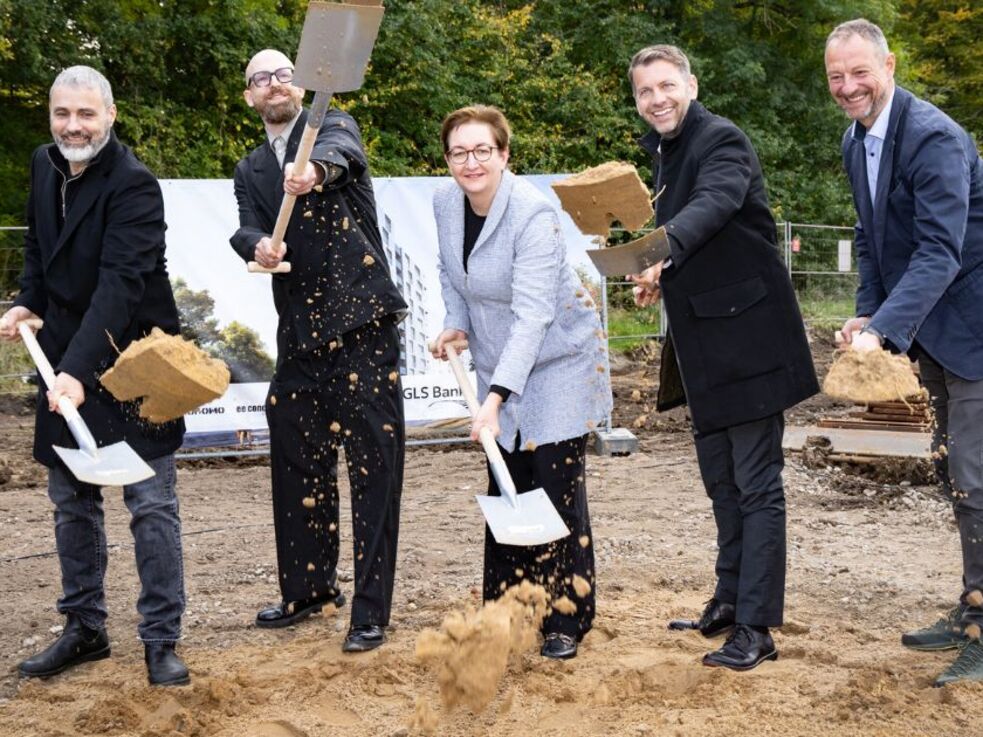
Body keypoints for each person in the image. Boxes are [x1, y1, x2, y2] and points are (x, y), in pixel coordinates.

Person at [626, 46, 819, 670]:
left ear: (691, 83)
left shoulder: (721, 140)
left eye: (666, 85)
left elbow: (715, 202)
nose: (657, 99)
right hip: (705, 345)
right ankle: (730, 601)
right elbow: (695, 235)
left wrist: (665, 247)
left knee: (758, 485)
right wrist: (662, 269)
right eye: (644, 91)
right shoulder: (663, 152)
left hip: (752, 341)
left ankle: (757, 627)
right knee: (721, 482)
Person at [0, 66, 189, 686]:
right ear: (50, 116)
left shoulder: (134, 186)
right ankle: (85, 628)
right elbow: (39, 246)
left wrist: (77, 373)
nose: (72, 126)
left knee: (150, 503)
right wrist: (29, 299)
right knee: (70, 502)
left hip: (133, 361)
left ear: (109, 115)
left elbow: (118, 289)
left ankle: (161, 639)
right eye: (62, 114)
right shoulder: (44, 163)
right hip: (62, 350)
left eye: (85, 114)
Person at [230, 49, 407, 653]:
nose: (274, 84)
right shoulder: (250, 167)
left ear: (301, 84)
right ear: (250, 96)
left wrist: (315, 173)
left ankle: (370, 609)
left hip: (361, 324)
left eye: (283, 74)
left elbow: (342, 158)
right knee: (296, 458)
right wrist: (257, 246)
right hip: (299, 336)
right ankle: (309, 589)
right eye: (261, 79)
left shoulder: (329, 127)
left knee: (373, 468)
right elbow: (245, 224)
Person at [825, 19, 983, 686]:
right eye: (834, 76)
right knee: (958, 475)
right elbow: (870, 236)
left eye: (858, 72)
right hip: (931, 332)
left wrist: (881, 331)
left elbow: (939, 251)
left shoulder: (934, 137)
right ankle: (973, 604)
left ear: (888, 64)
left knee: (976, 478)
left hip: (972, 328)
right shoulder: (854, 138)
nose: (847, 86)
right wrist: (868, 309)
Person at [430, 105, 613, 660]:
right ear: (448, 160)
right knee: (505, 483)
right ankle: (505, 611)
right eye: (459, 152)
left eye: (483, 150)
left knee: (554, 483)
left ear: (504, 154)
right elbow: (450, 273)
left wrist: (493, 400)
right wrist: (454, 321)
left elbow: (534, 316)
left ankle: (566, 617)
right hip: (502, 359)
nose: (471, 162)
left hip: (560, 359)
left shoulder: (533, 215)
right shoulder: (445, 203)